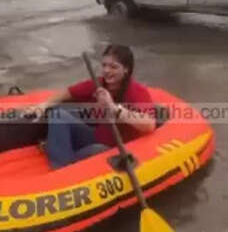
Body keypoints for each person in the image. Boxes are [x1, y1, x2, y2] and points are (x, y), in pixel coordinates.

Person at [24, 45, 158, 169]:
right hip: (97, 136)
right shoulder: (99, 84)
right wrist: (44, 105)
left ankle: (61, 161)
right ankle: (61, 162)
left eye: (113, 67)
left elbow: (149, 125)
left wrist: (113, 108)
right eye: (104, 65)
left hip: (115, 149)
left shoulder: (137, 91)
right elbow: (68, 93)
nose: (106, 70)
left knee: (96, 149)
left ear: (126, 69)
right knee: (58, 114)